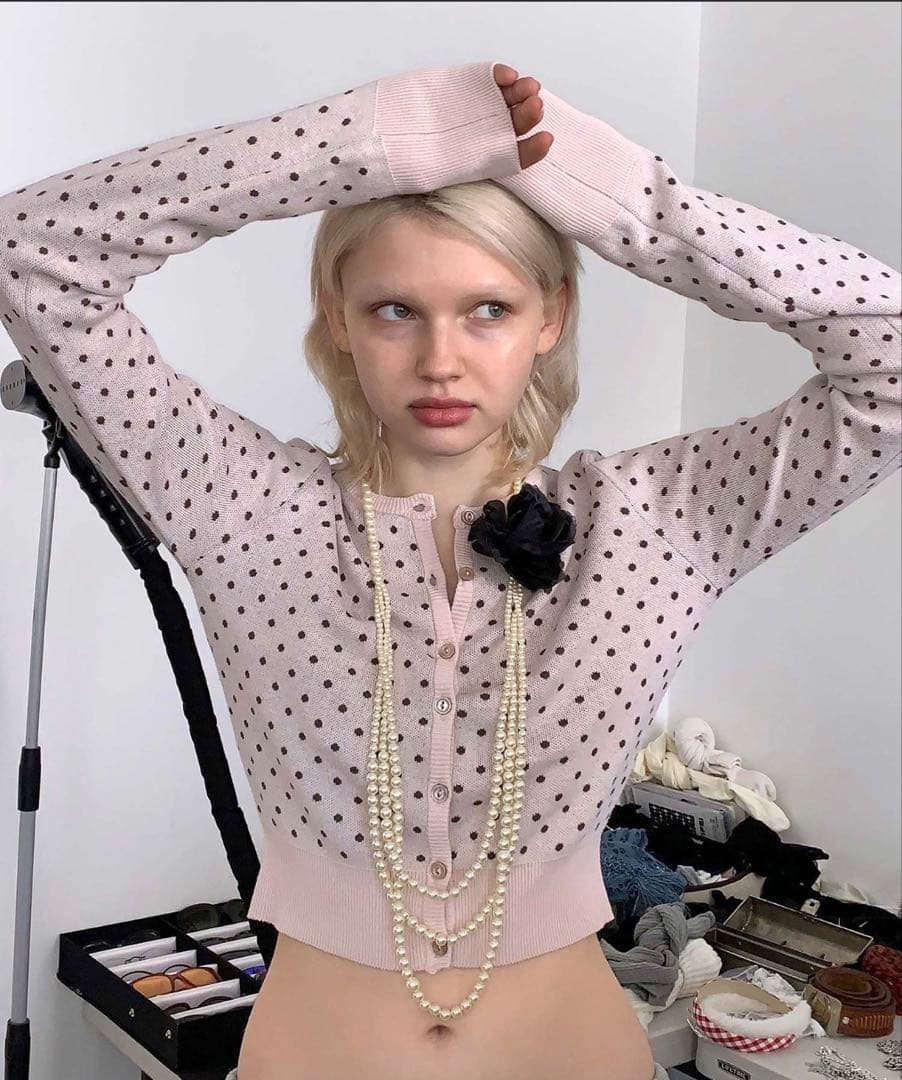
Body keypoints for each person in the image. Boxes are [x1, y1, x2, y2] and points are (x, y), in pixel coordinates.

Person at [0, 57, 897, 1080]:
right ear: (337, 316)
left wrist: (629, 200)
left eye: (487, 309)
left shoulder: (654, 522)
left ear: (550, 316)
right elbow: (33, 251)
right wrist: (357, 142)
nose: (440, 358)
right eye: (395, 309)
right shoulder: (244, 507)